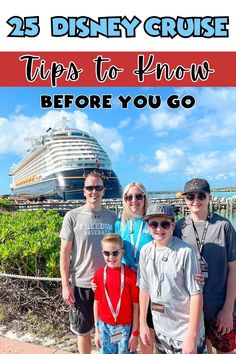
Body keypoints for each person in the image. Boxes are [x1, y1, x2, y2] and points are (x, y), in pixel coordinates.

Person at [175, 178, 236, 354]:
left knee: (224, 349)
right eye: (190, 196)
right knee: (202, 348)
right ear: (185, 199)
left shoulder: (224, 226)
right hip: (192, 306)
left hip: (219, 304)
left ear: (209, 197)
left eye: (201, 196)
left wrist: (228, 308)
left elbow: (234, 269)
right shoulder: (179, 227)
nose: (196, 201)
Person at [59, 170, 117, 354]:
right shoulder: (72, 216)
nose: (94, 191)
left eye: (98, 187)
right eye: (90, 187)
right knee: (83, 331)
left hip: (108, 283)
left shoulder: (112, 217)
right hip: (81, 284)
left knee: (110, 329)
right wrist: (65, 285)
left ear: (103, 190)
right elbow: (65, 253)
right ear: (83, 191)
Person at [139, 203, 205, 354]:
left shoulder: (185, 252)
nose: (159, 229)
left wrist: (192, 336)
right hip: (161, 330)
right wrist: (143, 323)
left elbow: (196, 294)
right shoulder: (145, 251)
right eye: (153, 224)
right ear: (147, 225)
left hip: (184, 333)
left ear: (173, 225)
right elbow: (144, 289)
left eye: (165, 224)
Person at [115, 182, 154, 353]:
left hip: (150, 282)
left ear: (145, 198)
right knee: (127, 330)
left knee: (148, 331)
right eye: (129, 197)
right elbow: (111, 254)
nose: (134, 200)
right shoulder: (119, 224)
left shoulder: (154, 222)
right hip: (127, 284)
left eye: (138, 196)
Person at [93, 233, 139, 353]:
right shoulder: (98, 275)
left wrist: (134, 334)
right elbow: (96, 302)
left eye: (115, 253)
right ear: (102, 252)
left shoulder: (131, 276)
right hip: (105, 326)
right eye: (107, 253)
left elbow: (136, 306)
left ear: (122, 253)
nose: (111, 257)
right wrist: (97, 331)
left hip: (125, 327)